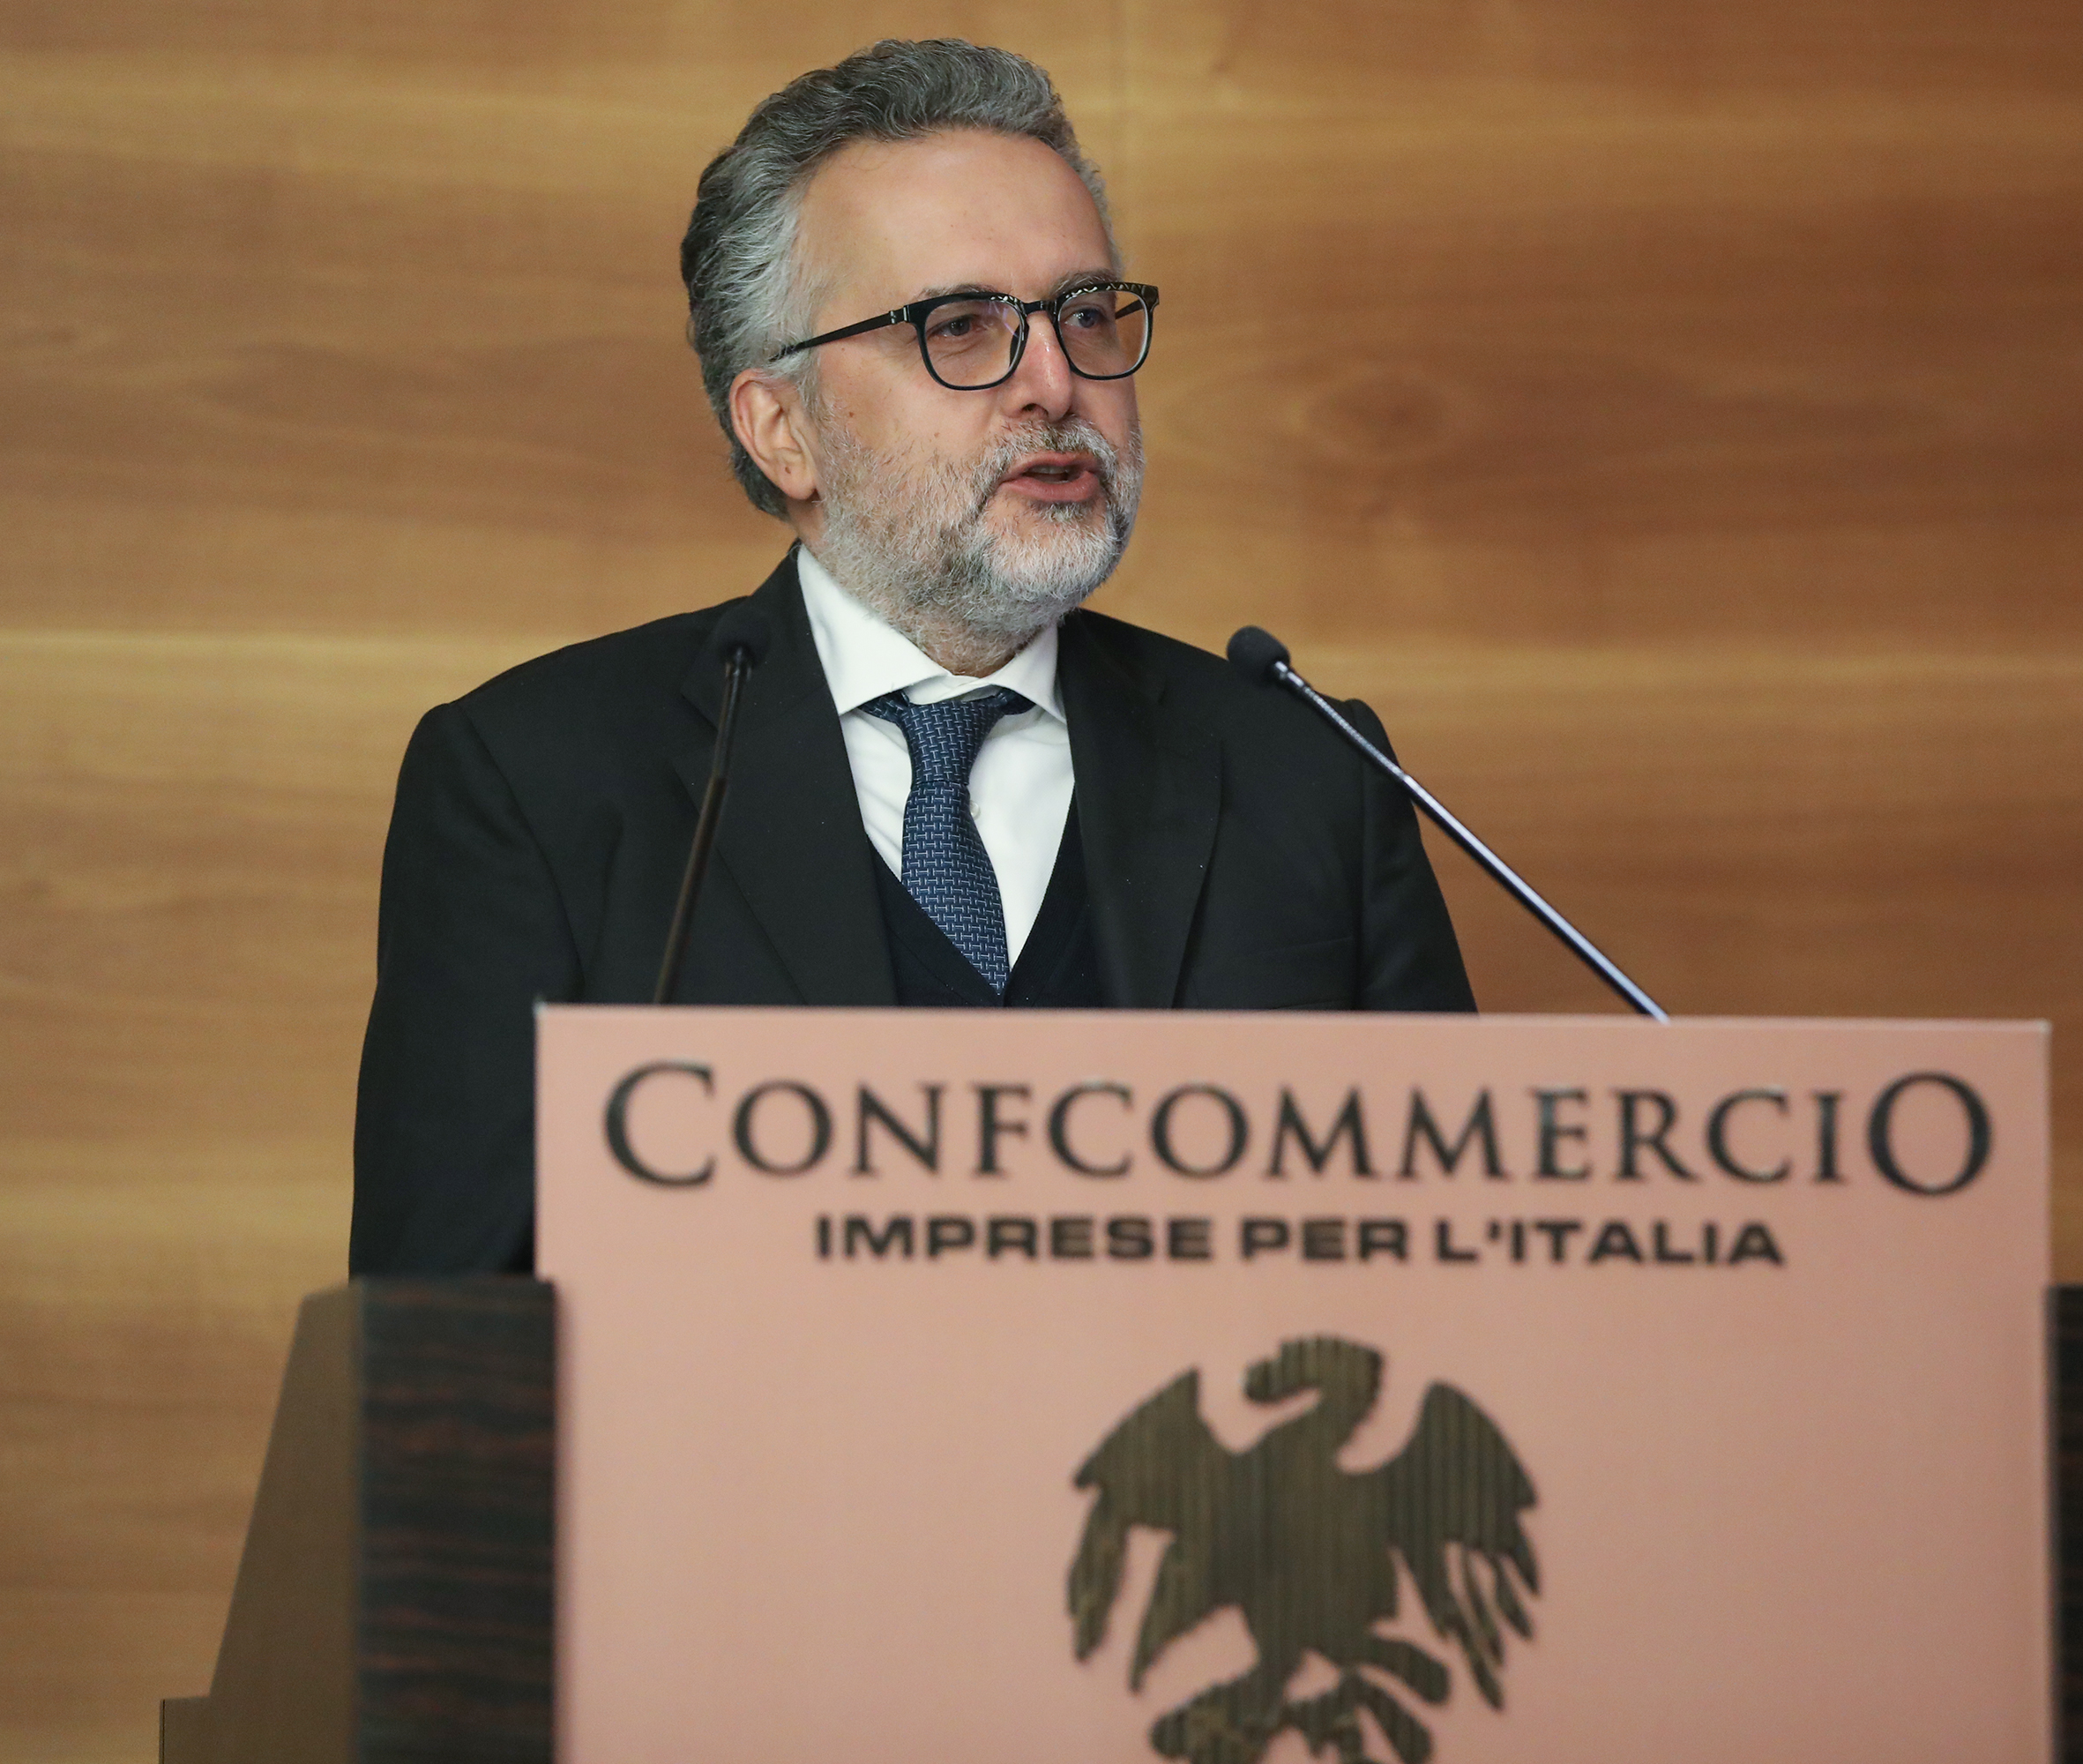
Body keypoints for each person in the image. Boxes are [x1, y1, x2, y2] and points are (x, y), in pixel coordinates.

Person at [349, 40, 1475, 1275]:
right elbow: (440, 1335)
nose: (1054, 382)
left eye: (1085, 312)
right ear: (782, 429)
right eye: (961, 326)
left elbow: (1455, 1274)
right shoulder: (537, 783)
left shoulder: (1304, 769)